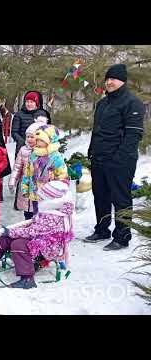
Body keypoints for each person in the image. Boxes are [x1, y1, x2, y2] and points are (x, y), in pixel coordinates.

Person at [85, 64, 145, 251]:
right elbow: (97, 131)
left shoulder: (132, 102)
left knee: (120, 198)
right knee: (100, 196)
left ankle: (122, 236)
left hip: (120, 160)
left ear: (123, 81)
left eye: (114, 79)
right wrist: (92, 150)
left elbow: (133, 134)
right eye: (107, 78)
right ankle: (102, 229)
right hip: (99, 158)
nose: (109, 82)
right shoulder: (103, 103)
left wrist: (120, 158)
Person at [0, 180, 74, 289]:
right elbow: (36, 228)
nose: (40, 199)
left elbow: (32, 231)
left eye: (43, 197)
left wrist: (12, 231)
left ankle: (27, 279)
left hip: (47, 247)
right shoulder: (51, 209)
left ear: (51, 199)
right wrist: (13, 232)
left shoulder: (54, 215)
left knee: (18, 244)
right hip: (39, 239)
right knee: (7, 238)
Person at [21, 124, 69, 214]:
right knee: (36, 217)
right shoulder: (34, 154)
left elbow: (62, 176)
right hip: (35, 194)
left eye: (41, 140)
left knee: (46, 218)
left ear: (49, 141)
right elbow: (27, 172)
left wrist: (57, 191)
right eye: (37, 140)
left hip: (49, 197)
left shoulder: (56, 157)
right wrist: (25, 187)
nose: (38, 142)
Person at [9, 122, 43, 220]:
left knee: (37, 210)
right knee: (27, 209)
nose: (29, 139)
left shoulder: (42, 151)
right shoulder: (23, 150)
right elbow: (17, 167)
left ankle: (36, 229)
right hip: (25, 184)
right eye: (27, 137)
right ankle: (27, 225)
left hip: (38, 185)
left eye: (32, 137)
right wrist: (12, 181)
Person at [11, 91, 51, 157]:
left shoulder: (42, 114)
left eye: (31, 102)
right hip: (23, 148)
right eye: (27, 102)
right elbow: (14, 132)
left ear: (36, 103)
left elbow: (46, 131)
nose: (29, 104)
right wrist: (23, 142)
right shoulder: (19, 115)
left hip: (39, 148)